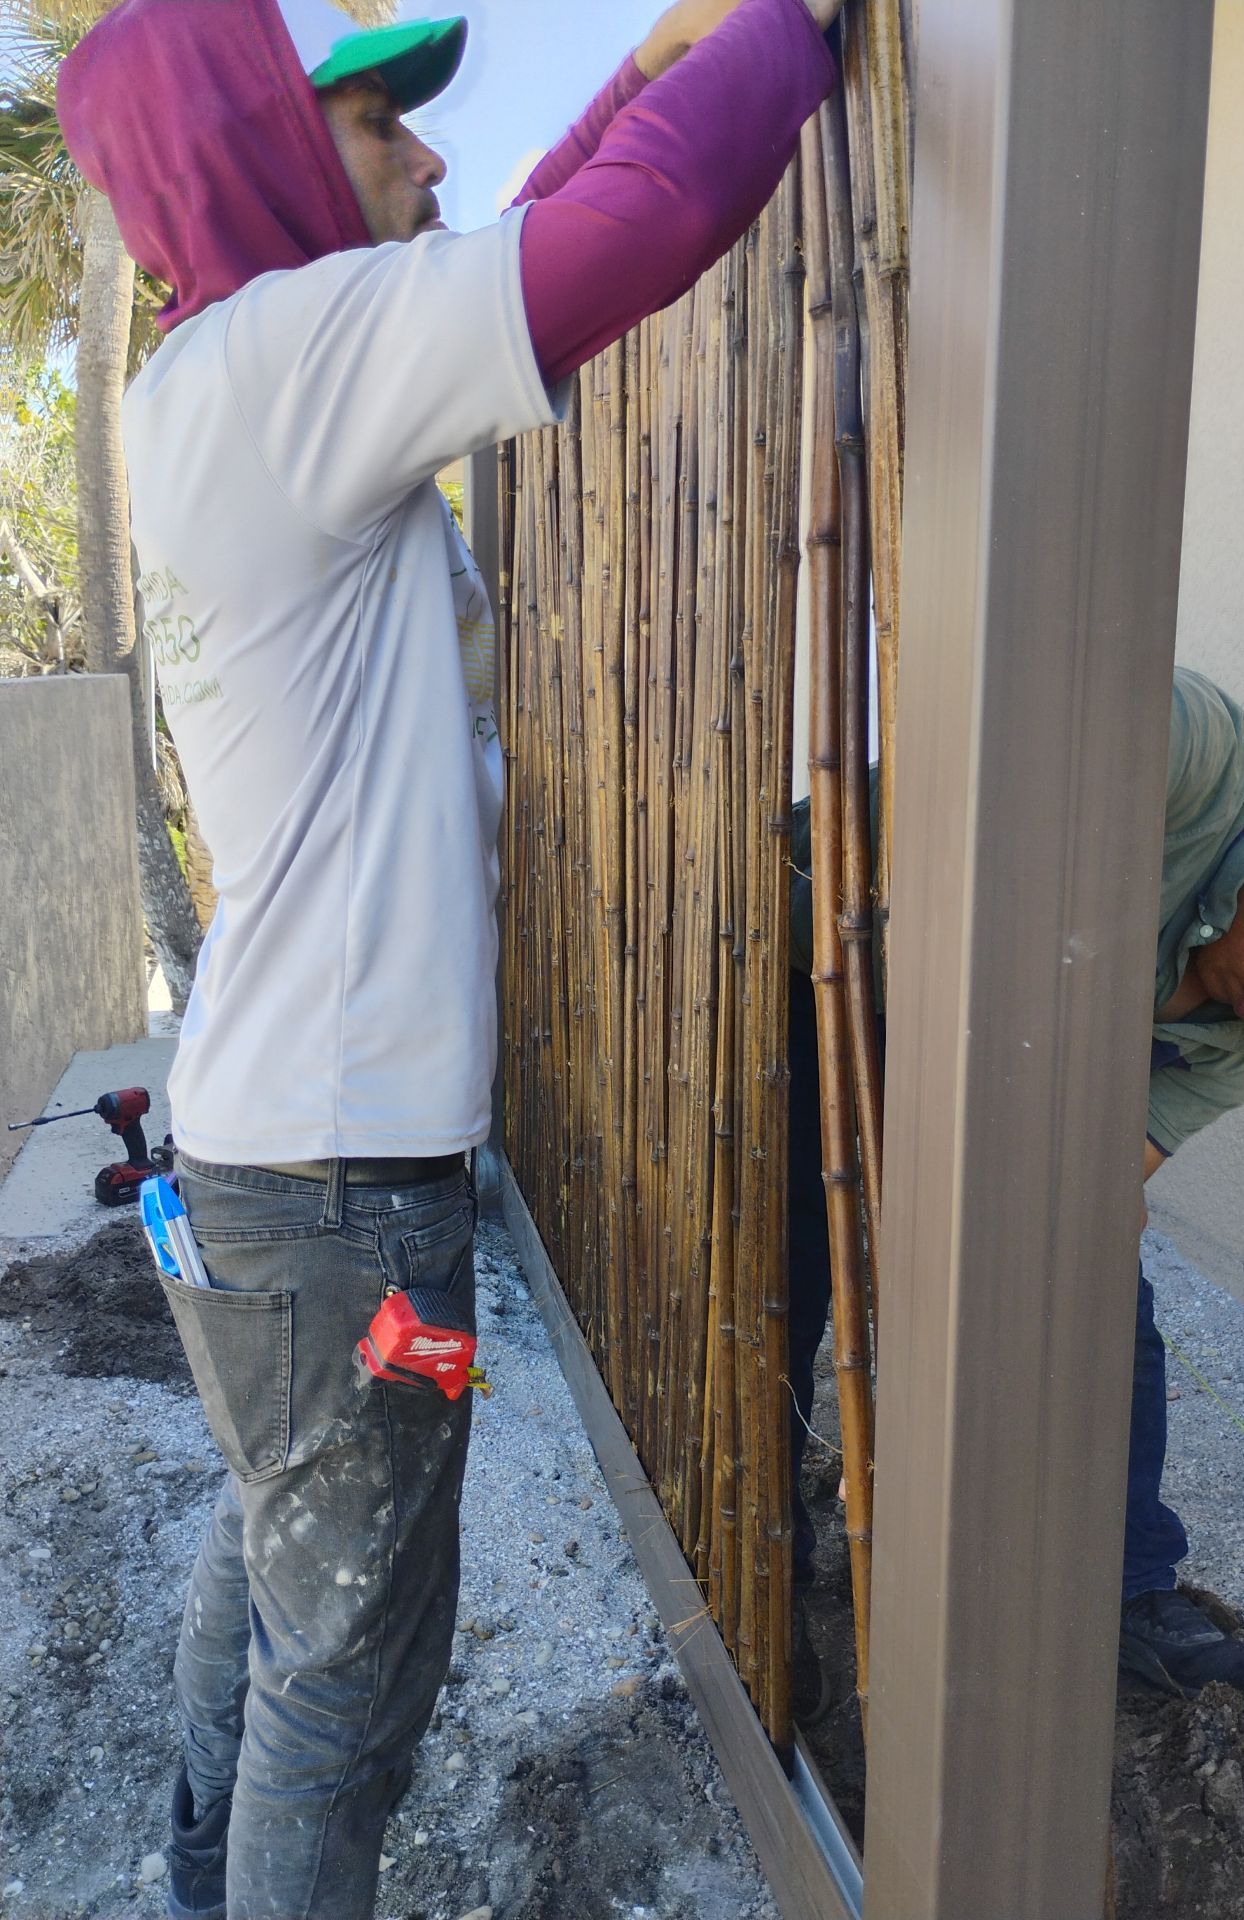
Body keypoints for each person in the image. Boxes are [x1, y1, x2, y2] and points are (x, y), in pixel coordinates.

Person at [57, 1, 842, 1914]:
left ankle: (191, 1878)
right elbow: (635, 232)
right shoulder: (287, 362)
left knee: (277, 1567)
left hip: (270, 1161)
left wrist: (648, 75)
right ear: (248, 151)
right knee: (352, 1676)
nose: (428, 159)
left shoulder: (232, 377)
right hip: (336, 1184)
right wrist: (794, 31)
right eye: (377, 123)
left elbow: (550, 217)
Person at [787, 669, 1244, 1698]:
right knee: (794, 1236)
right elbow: (974, 831)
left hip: (980, 1061)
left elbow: (1105, 1171)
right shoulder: (1191, 750)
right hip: (830, 943)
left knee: (1099, 1279)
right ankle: (768, 1540)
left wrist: (1080, 1204)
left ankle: (1125, 1592)